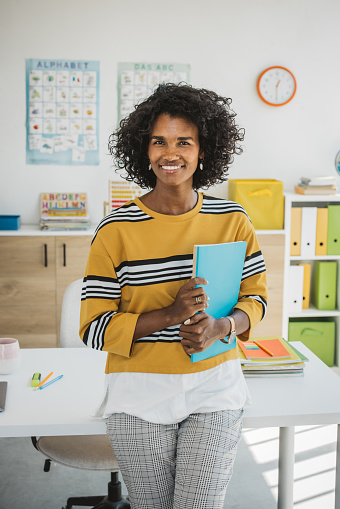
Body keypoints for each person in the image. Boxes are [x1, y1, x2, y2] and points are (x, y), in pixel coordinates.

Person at [79, 83, 267, 509]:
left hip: (214, 386)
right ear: (143, 151)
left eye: (184, 141)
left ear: (204, 150)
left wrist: (223, 326)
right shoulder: (115, 229)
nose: (171, 153)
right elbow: (93, 329)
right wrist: (170, 314)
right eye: (159, 141)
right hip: (136, 391)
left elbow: (255, 300)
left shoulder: (232, 219)